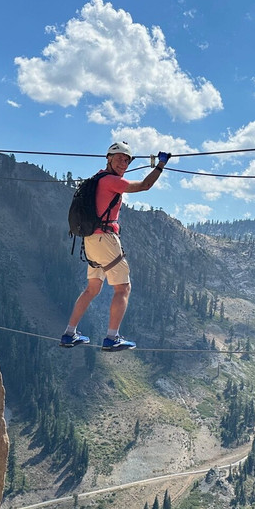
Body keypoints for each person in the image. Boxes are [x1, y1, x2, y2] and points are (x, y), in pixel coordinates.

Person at [60, 141, 171, 352]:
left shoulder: (97, 179)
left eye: (127, 159)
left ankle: (69, 333)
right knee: (123, 288)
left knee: (92, 289)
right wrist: (160, 166)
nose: (124, 162)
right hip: (106, 239)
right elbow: (145, 186)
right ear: (109, 158)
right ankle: (112, 337)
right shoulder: (112, 181)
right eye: (120, 157)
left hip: (90, 240)